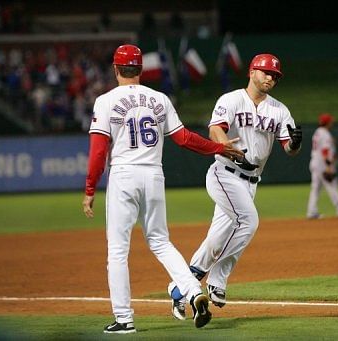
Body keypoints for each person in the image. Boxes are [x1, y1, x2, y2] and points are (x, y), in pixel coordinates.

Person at [81, 44, 244, 334]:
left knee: (118, 250)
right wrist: (219, 147)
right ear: (141, 70)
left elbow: (97, 152)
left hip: (124, 174)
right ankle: (193, 292)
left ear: (116, 69)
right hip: (154, 175)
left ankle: (124, 319)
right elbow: (184, 139)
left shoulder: (105, 101)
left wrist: (90, 187)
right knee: (160, 241)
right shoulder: (160, 99)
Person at [167, 53, 303, 319]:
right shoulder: (230, 100)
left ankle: (177, 291)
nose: (270, 78)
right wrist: (224, 145)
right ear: (251, 71)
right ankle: (217, 280)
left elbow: (288, 148)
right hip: (224, 174)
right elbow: (216, 129)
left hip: (251, 183)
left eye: (275, 76)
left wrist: (295, 145)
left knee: (215, 243)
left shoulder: (279, 110)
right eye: (265, 72)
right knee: (249, 221)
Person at [306, 113, 338, 219]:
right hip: (322, 164)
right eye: (331, 121)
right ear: (327, 122)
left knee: (316, 189)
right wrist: (328, 165)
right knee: (332, 186)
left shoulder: (317, 132)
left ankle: (311, 211)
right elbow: (325, 150)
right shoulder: (325, 134)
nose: (332, 123)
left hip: (315, 162)